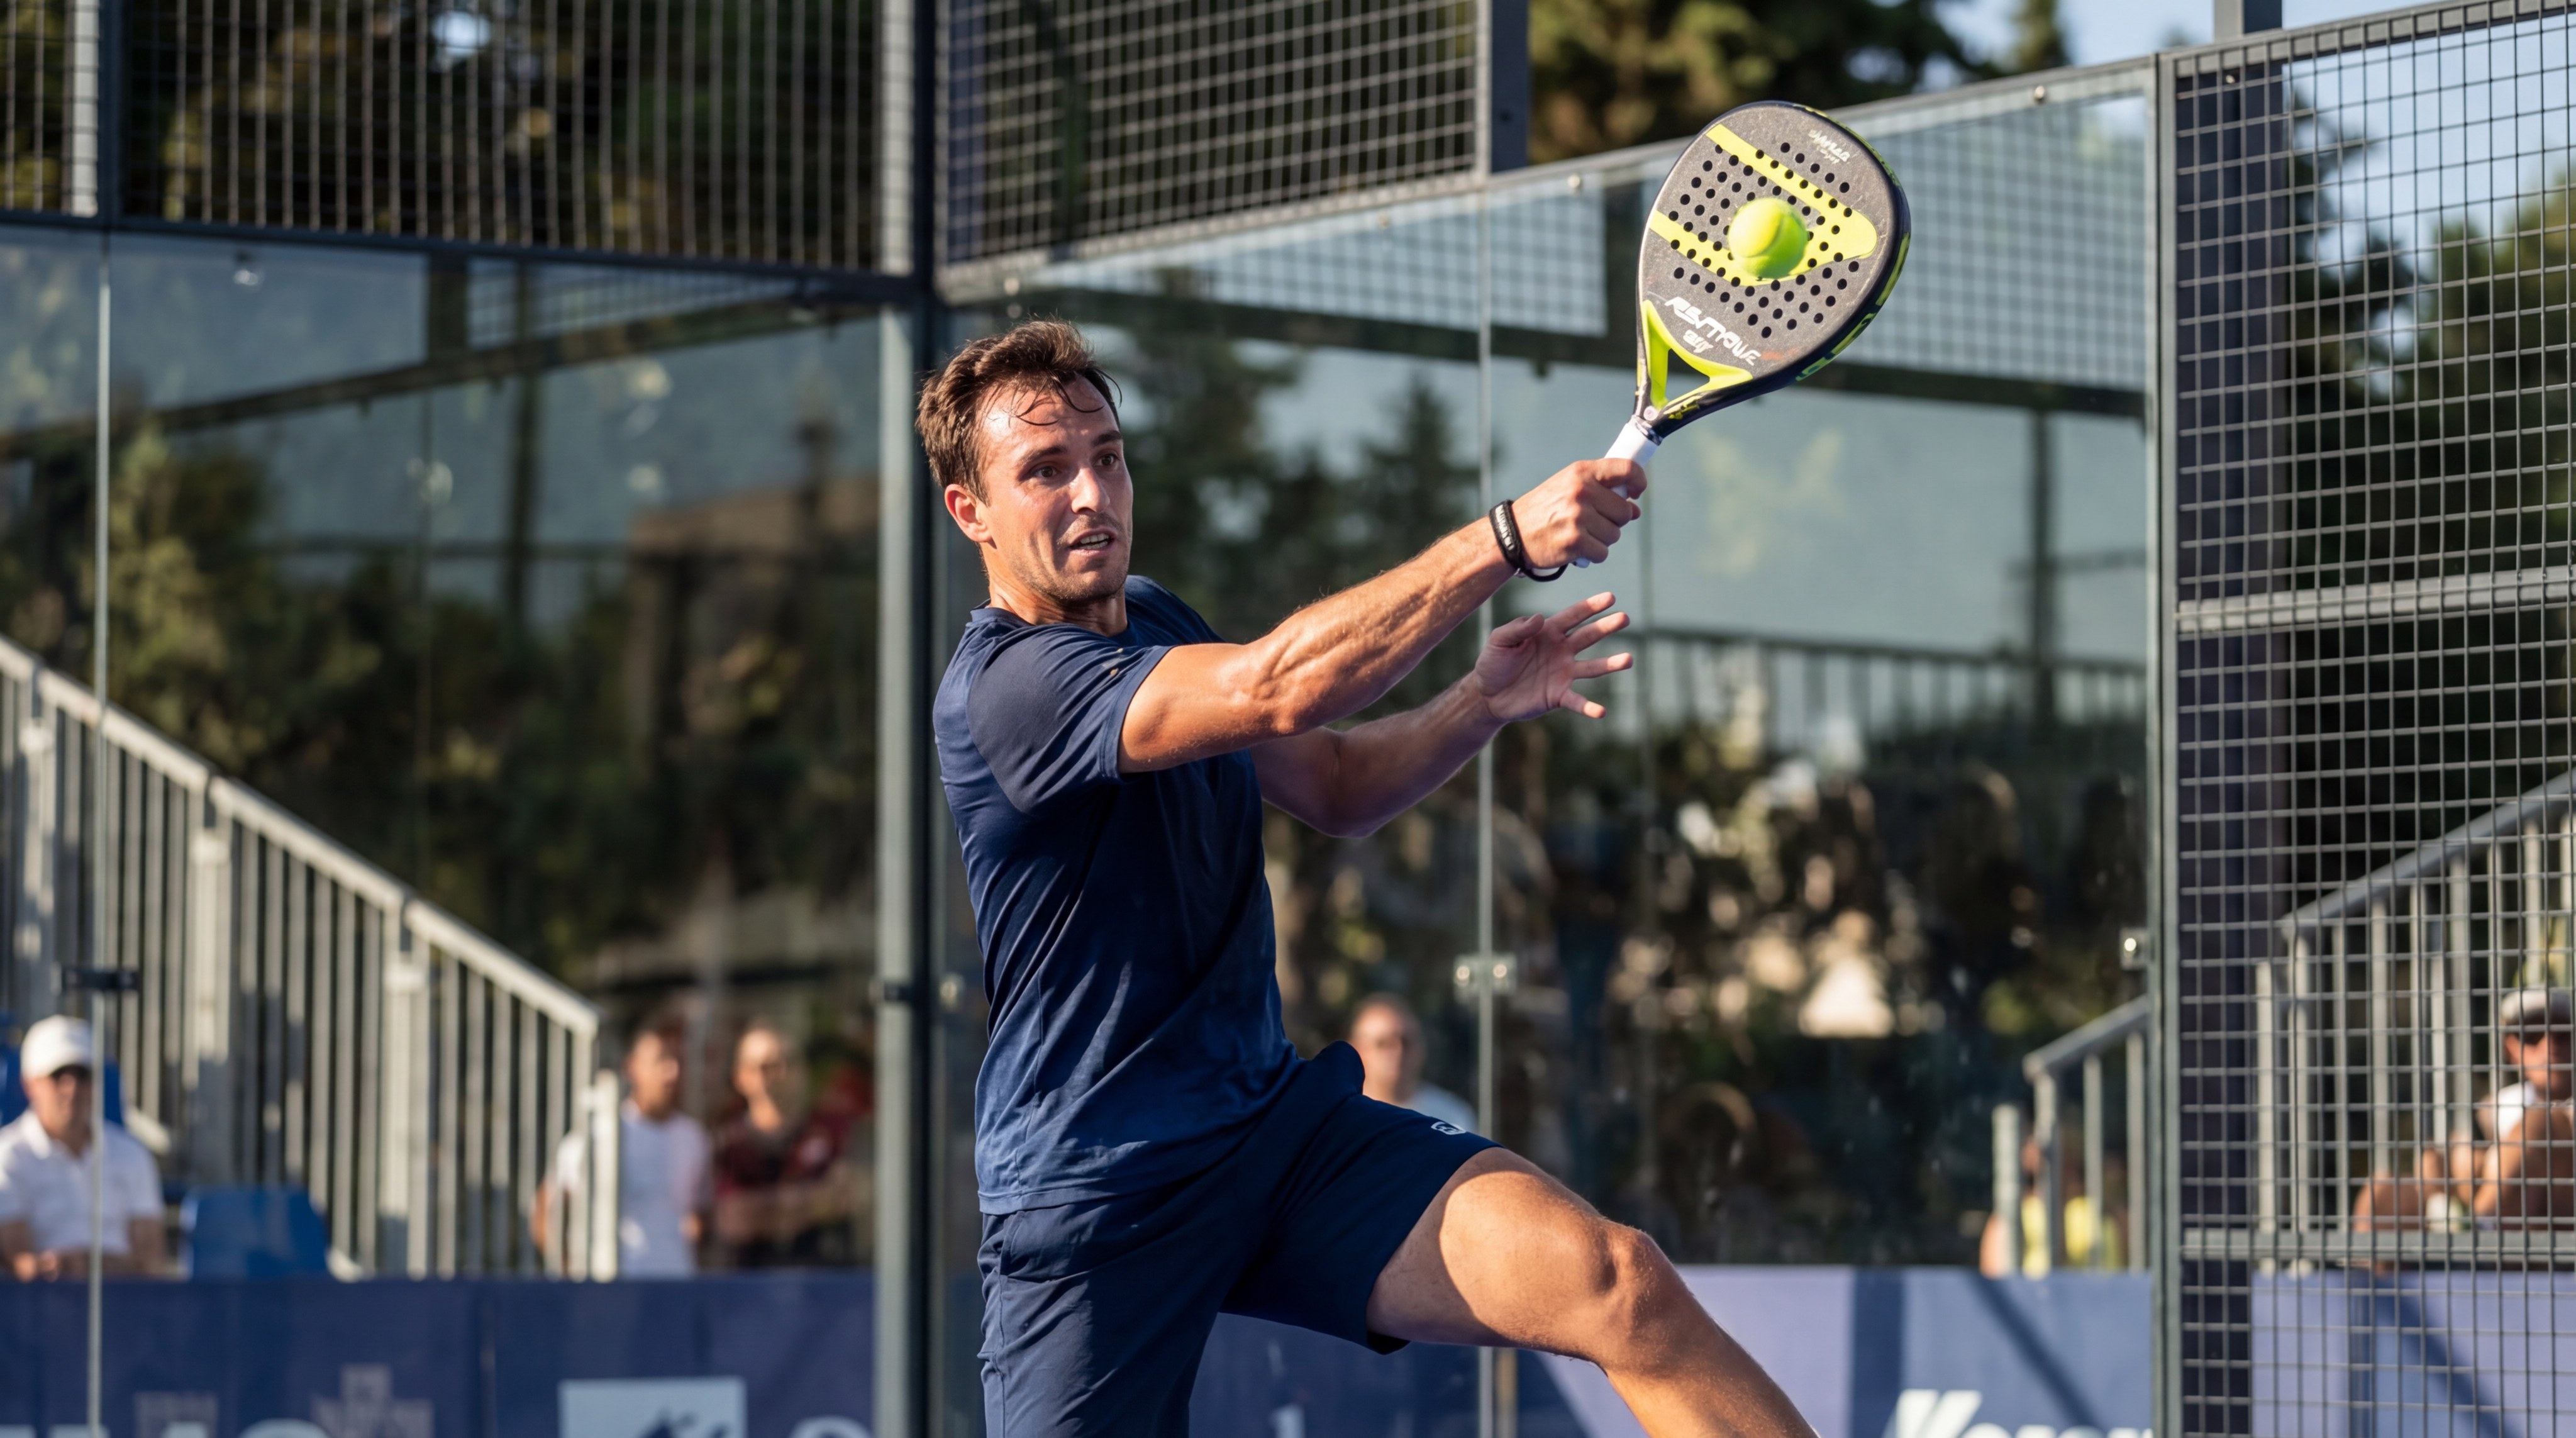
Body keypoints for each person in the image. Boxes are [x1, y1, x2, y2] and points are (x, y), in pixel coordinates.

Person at [929, 320, 1808, 1437]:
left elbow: (1336, 784)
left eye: (1106, 454)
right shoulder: (1009, 690)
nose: (1090, 491)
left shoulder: (1148, 619)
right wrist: (1503, 539)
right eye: (1044, 471)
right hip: (1095, 1195)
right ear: (973, 512)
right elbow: (1276, 687)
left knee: (1618, 1282)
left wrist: (1476, 705)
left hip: (1269, 1137)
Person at [537, 1020, 709, 1276]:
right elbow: (546, 1211)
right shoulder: (599, 1133)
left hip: (678, 1287)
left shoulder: (694, 1137)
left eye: (676, 1061)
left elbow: (701, 1216)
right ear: (633, 1068)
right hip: (615, 1291)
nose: (671, 1071)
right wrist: (570, 1276)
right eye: (660, 1061)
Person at [0, 1015, 165, 1279]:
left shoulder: (133, 1154)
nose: (72, 1087)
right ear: (30, 1084)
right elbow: (19, 1261)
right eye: (58, 1075)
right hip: (39, 1312)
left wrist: (89, 1265)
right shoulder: (7, 1156)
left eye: (82, 1074)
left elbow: (151, 1260)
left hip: (125, 1309)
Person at [709, 1020, 859, 1268]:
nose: (782, 1073)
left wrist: (765, 1210)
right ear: (741, 1077)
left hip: (826, 1287)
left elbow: (845, 1198)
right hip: (747, 1290)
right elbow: (734, 1219)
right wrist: (817, 1201)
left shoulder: (833, 1131)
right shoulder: (728, 1145)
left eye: (791, 1061)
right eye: (767, 1067)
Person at [2475, 987, 2574, 1229]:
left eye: (2561, 1032)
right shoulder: (2496, 1108)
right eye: (2533, 1034)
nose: (2549, 1045)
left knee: (2539, 1125)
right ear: (2511, 1049)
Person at [1350, 995, 1478, 1134]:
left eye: (1406, 1042)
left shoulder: (1454, 1118)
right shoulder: (1342, 1120)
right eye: (1383, 1043)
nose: (1398, 1052)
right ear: (1357, 1050)